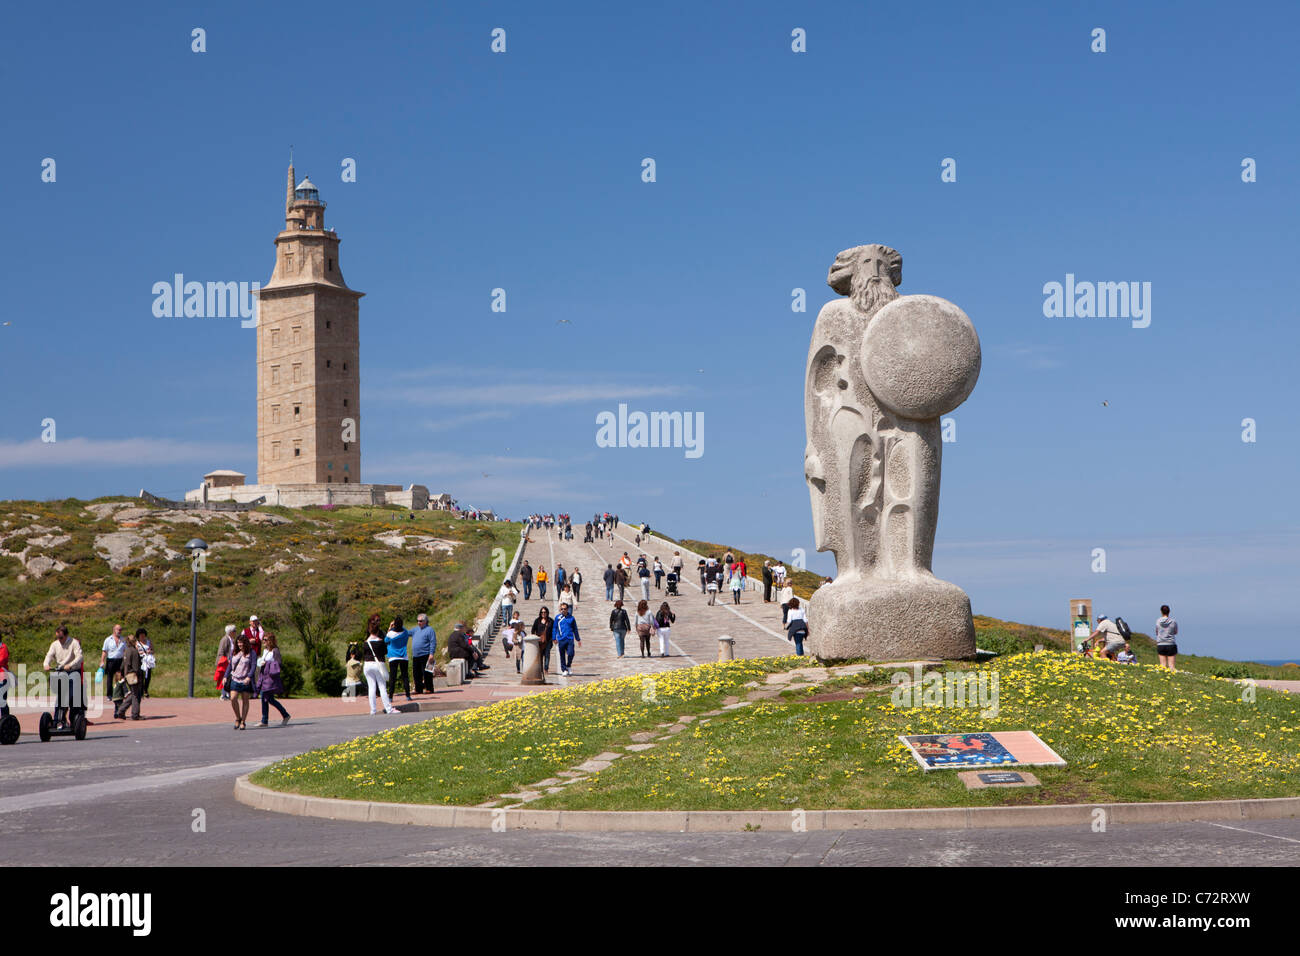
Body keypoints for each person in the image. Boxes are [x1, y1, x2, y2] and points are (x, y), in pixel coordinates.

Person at [43, 626, 84, 730]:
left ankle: (74, 720)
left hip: (73, 671)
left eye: (61, 637)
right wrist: (46, 664)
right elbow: (49, 655)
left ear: (66, 635)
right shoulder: (55, 644)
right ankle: (57, 720)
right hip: (61, 671)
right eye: (57, 637)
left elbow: (80, 657)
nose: (59, 639)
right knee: (60, 697)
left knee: (72, 696)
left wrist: (70, 665)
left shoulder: (74, 643)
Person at [361, 615, 398, 715]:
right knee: (382, 687)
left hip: (367, 665)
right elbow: (385, 652)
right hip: (378, 664)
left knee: (371, 688)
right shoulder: (380, 642)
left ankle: (373, 710)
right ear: (377, 631)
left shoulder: (365, 643)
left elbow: (363, 653)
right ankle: (388, 708)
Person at [255, 633, 291, 726]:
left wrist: (267, 663)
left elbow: (278, 663)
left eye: (266, 639)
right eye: (263, 639)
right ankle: (283, 715)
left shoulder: (275, 651)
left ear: (271, 641)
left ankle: (265, 720)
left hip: (270, 678)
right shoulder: (265, 651)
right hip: (264, 677)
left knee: (265, 697)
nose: (264, 641)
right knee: (268, 698)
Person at [228, 634, 256, 730]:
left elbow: (253, 666)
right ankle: (238, 717)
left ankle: (243, 721)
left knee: (245, 701)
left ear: (245, 643)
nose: (240, 644)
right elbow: (230, 665)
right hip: (235, 679)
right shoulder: (235, 652)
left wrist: (249, 677)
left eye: (241, 642)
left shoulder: (251, 653)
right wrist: (225, 676)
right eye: (238, 642)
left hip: (245, 680)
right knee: (233, 698)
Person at [115, 631, 144, 720]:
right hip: (133, 675)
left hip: (127, 674)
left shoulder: (126, 650)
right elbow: (135, 666)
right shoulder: (134, 651)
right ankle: (134, 714)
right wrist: (139, 673)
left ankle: (121, 711)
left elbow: (123, 664)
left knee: (133, 694)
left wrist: (122, 673)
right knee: (136, 695)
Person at [385, 616, 413, 701]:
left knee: (393, 677)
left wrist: (390, 628)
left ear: (394, 625)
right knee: (405, 677)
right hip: (403, 656)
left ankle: (390, 697)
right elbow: (404, 630)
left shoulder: (390, 634)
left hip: (393, 656)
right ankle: (408, 695)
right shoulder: (405, 633)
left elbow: (386, 641)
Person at [410, 613, 437, 694]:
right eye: (418, 621)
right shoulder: (415, 629)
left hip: (426, 654)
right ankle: (418, 689)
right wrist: (397, 626)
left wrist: (431, 654)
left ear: (425, 621)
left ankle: (429, 688)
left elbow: (433, 642)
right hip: (416, 655)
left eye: (421, 621)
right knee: (416, 673)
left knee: (427, 673)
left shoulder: (430, 630)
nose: (419, 623)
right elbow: (406, 633)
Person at [553, 603, 581, 677]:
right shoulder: (557, 618)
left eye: (564, 609)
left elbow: (575, 629)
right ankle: (564, 669)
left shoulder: (571, 618)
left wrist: (578, 639)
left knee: (571, 653)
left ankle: (568, 665)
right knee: (562, 655)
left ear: (567, 609)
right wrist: (554, 638)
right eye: (561, 609)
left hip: (569, 639)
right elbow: (555, 628)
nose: (563, 610)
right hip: (561, 639)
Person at [101, 623, 126, 699]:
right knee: (109, 677)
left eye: (120, 630)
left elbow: (125, 650)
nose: (119, 631)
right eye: (118, 629)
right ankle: (109, 694)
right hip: (111, 660)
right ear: (114, 630)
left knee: (120, 677)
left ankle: (120, 693)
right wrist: (102, 661)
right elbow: (104, 651)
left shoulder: (123, 639)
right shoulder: (108, 639)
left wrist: (125, 659)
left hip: (120, 660)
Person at [1155, 605, 1179, 671]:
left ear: (1161, 611)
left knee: (1162, 665)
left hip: (1161, 644)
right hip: (1171, 643)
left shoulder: (1158, 621)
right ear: (1169, 611)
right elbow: (1175, 632)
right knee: (1171, 666)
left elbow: (1156, 632)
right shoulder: (1173, 621)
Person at [216, 624, 237, 699]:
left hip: (230, 661)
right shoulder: (225, 639)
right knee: (224, 677)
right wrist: (224, 660)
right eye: (234, 631)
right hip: (224, 662)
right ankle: (223, 694)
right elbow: (221, 651)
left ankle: (227, 693)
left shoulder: (232, 640)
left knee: (229, 677)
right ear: (230, 632)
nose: (235, 632)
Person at [532, 606, 554, 674]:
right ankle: (540, 669)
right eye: (542, 612)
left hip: (548, 641)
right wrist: (535, 638)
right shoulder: (537, 620)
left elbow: (553, 630)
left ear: (547, 613)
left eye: (545, 612)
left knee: (547, 654)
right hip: (539, 642)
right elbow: (533, 630)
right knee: (540, 655)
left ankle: (546, 668)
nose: (543, 613)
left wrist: (553, 639)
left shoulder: (551, 621)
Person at [137, 628, 155, 698]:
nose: (142, 637)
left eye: (143, 635)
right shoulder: (137, 643)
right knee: (140, 675)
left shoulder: (149, 642)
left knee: (148, 675)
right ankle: (141, 691)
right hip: (140, 659)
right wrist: (142, 652)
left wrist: (150, 651)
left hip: (147, 659)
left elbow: (153, 650)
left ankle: (145, 689)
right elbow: (136, 651)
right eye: (140, 635)